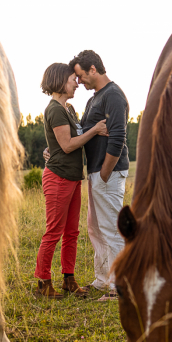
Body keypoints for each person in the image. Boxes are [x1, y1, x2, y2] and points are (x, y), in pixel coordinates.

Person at [34, 63, 108, 299]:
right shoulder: (54, 109)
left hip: (73, 178)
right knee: (54, 232)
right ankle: (43, 283)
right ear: (59, 82)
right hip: (58, 177)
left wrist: (51, 148)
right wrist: (95, 130)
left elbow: (62, 141)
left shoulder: (70, 109)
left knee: (71, 232)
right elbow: (67, 146)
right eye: (72, 79)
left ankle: (69, 279)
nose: (76, 83)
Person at [71, 50, 130, 300]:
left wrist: (105, 173)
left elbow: (117, 138)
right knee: (95, 229)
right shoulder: (93, 99)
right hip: (95, 172)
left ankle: (120, 286)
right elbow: (84, 130)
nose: (79, 81)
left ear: (93, 69)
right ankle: (103, 279)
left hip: (108, 172)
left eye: (80, 75)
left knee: (112, 229)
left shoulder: (113, 96)